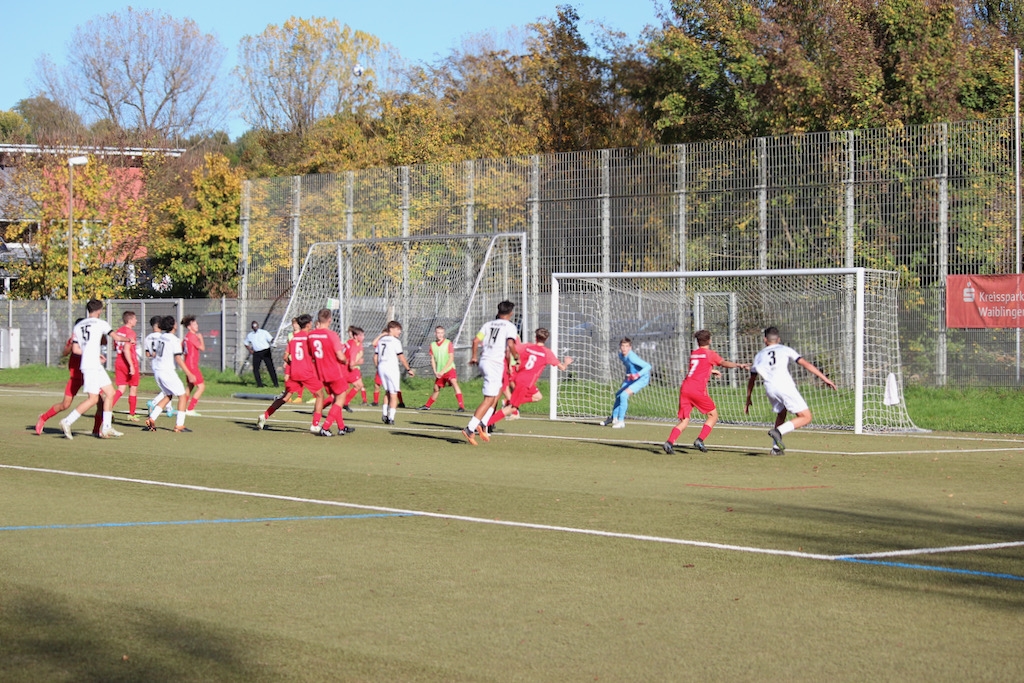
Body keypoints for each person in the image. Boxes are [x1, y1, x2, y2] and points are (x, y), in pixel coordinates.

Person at [744, 326, 837, 454]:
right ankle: (778, 431)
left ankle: (776, 448)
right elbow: (806, 364)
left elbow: (752, 379)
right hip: (784, 386)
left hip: (770, 388)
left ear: (765, 339)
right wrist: (825, 379)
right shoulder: (785, 349)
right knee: (806, 417)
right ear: (778, 339)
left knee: (782, 412)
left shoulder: (759, 355)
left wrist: (748, 398)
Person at [663, 330, 750, 454]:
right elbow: (723, 363)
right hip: (697, 390)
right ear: (709, 340)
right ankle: (699, 440)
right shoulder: (710, 354)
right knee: (713, 416)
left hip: (685, 388)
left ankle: (669, 442)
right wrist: (739, 365)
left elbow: (696, 369)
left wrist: (711, 371)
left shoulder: (694, 354)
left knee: (684, 420)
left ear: (697, 341)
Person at [58, 299, 129, 440]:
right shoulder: (101, 323)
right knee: (93, 399)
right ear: (100, 310)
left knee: (110, 392)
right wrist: (129, 340)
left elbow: (76, 349)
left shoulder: (78, 326)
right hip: (91, 366)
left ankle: (107, 427)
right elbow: (115, 337)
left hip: (92, 364)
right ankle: (67, 421)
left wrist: (92, 354)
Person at [486, 328, 571, 432]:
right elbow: (562, 367)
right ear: (546, 339)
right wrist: (566, 362)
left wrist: (516, 361)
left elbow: (511, 349)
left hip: (519, 377)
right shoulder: (547, 352)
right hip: (526, 382)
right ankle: (485, 423)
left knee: (538, 396)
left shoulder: (527, 346)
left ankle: (507, 402)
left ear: (535, 337)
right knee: (512, 408)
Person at [462, 300, 519, 445]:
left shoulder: (488, 325)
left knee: (497, 392)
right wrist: (517, 357)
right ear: (511, 313)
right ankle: (470, 428)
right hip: (494, 363)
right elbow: (510, 344)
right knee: (489, 399)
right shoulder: (510, 326)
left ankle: (483, 423)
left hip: (485, 361)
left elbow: (475, 341)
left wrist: (474, 356)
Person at [257, 313, 327, 431]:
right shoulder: (310, 337)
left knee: (285, 397)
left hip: (294, 371)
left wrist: (294, 361)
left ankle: (265, 415)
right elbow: (316, 354)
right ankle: (315, 424)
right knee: (320, 395)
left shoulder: (293, 339)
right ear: (308, 324)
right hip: (306, 372)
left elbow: (286, 357)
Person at [307, 308, 354, 436]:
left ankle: (341, 427)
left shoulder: (311, 335)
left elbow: (310, 353)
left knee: (335, 397)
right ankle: (326, 427)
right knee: (341, 398)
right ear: (330, 320)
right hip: (334, 371)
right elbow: (340, 355)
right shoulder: (331, 334)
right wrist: (346, 360)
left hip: (321, 372)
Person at [145, 316, 195, 433]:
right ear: (173, 326)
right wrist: (189, 373)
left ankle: (152, 418)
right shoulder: (174, 340)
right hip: (167, 371)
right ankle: (179, 425)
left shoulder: (161, 337)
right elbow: (178, 358)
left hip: (157, 370)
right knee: (182, 396)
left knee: (168, 395)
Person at [36, 319, 85, 435]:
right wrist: (72, 345)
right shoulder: (74, 339)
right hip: (76, 376)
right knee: (65, 404)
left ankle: (97, 430)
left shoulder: (91, 338)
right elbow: (65, 353)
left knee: (100, 400)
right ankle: (43, 418)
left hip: (90, 374)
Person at [601, 338, 651, 428]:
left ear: (630, 348)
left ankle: (621, 421)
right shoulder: (621, 355)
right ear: (620, 347)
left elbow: (648, 366)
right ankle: (613, 418)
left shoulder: (632, 357)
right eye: (622, 346)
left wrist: (637, 375)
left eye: (626, 346)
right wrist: (628, 376)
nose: (624, 348)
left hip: (641, 379)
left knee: (624, 395)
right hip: (631, 378)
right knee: (618, 395)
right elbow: (630, 367)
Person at [374, 320, 415, 425]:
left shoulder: (382, 340)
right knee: (393, 393)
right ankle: (391, 417)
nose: (399, 332)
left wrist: (378, 366)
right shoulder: (395, 341)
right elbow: (401, 357)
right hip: (391, 368)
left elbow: (376, 355)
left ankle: (384, 413)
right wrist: (408, 369)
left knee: (387, 391)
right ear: (391, 329)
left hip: (382, 367)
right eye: (398, 329)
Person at [419, 325, 465, 412]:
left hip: (449, 369)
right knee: (436, 389)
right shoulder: (432, 345)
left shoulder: (448, 343)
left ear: (444, 333)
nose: (440, 335)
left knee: (454, 383)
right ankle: (427, 405)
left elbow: (451, 358)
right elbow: (432, 359)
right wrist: (435, 371)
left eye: (441, 333)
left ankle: (461, 406)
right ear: (435, 334)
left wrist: (443, 370)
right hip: (440, 371)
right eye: (438, 333)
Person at [110, 310, 140, 422]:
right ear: (130, 320)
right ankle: (132, 414)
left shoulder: (119, 331)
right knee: (133, 388)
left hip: (119, 361)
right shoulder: (130, 333)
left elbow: (115, 346)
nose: (136, 320)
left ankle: (107, 409)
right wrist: (131, 365)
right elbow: (126, 350)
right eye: (135, 318)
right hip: (129, 362)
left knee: (121, 388)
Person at [181, 315, 205, 416]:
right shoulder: (192, 336)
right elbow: (202, 348)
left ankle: (182, 408)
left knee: (190, 386)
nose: (196, 326)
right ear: (189, 327)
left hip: (188, 363)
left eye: (196, 324)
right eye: (194, 324)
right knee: (201, 387)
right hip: (192, 365)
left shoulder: (186, 337)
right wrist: (201, 339)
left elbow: (182, 348)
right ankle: (190, 409)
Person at [245, 320, 278, 388]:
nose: (255, 327)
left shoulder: (264, 332)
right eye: (253, 326)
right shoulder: (250, 335)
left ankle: (275, 383)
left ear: (258, 326)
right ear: (252, 327)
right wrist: (250, 350)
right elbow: (246, 343)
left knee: (270, 367)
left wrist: (273, 341)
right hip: (256, 352)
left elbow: (270, 339)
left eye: (256, 326)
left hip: (265, 351)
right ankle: (259, 384)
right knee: (255, 369)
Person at [340, 326, 365, 413]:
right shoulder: (353, 345)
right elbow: (351, 364)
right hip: (345, 368)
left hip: (345, 367)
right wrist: (358, 362)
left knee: (359, 385)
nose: (363, 337)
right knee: (339, 392)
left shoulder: (351, 342)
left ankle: (345, 403)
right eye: (361, 335)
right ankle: (320, 409)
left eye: (363, 335)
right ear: (355, 336)